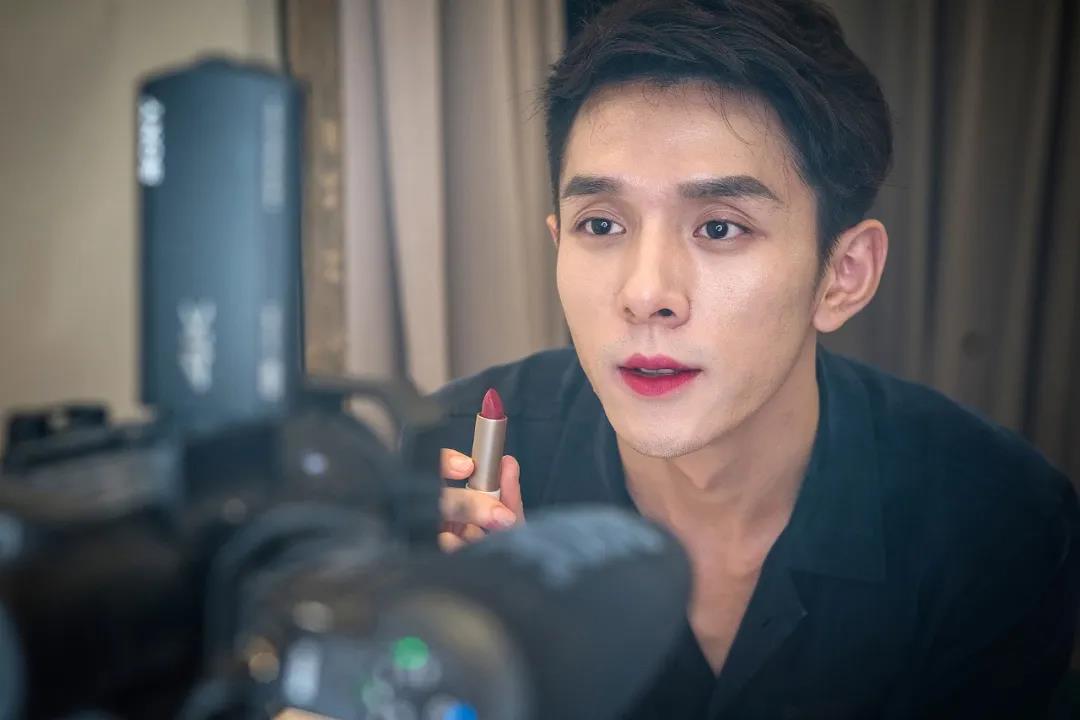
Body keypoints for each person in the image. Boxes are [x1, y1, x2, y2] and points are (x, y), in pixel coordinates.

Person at [404, 0, 1080, 717]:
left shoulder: (997, 520)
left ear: (843, 274)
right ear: (557, 244)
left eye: (721, 228)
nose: (646, 294)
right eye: (600, 224)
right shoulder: (442, 472)